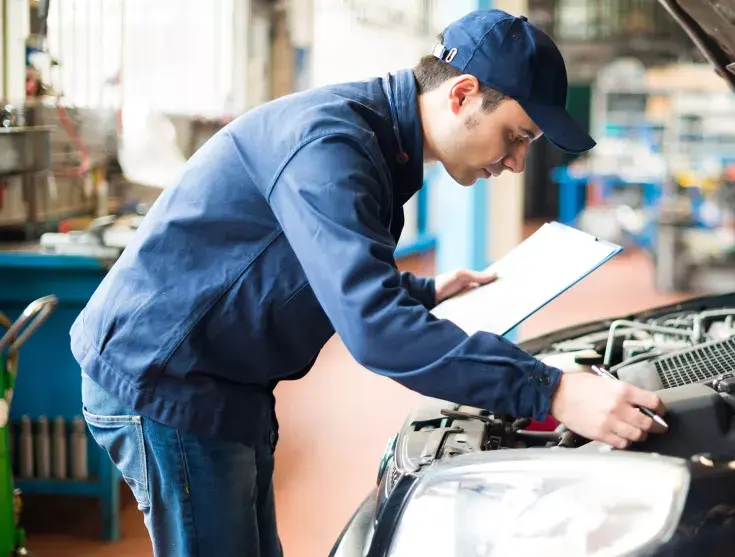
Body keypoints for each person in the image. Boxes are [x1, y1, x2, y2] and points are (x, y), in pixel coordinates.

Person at [73, 9, 667, 556]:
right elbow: (376, 334)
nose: (515, 162)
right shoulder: (332, 145)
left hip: (225, 377)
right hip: (166, 375)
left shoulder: (382, 148)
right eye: (517, 137)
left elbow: (315, 267)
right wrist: (554, 392)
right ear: (462, 95)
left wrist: (425, 292)